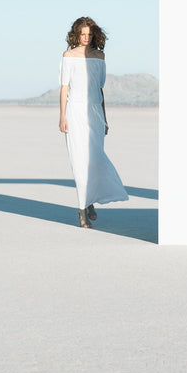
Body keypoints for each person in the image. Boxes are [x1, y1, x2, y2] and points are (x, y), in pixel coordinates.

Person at [59, 17, 129, 228]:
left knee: (95, 160)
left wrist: (105, 119)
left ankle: (89, 201)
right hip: (75, 112)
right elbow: (65, 88)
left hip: (95, 113)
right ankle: (82, 210)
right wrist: (62, 116)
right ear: (76, 34)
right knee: (79, 161)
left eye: (89, 34)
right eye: (82, 34)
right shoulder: (68, 56)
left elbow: (100, 89)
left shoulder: (100, 56)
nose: (86, 38)